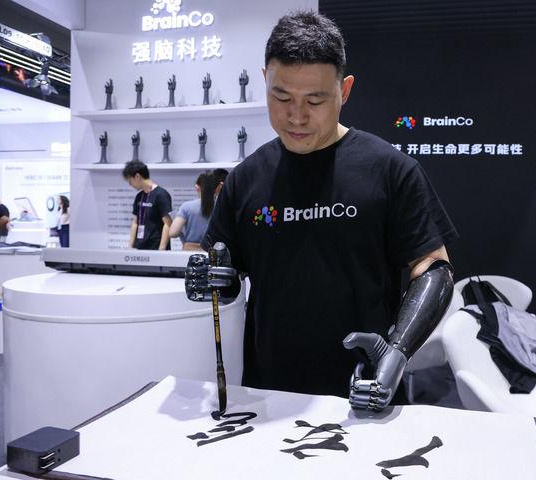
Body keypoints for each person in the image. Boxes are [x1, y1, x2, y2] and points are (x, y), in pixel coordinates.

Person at [190, 11, 458, 409]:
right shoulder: (245, 179)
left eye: (315, 100)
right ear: (264, 80)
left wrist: (398, 350)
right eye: (281, 97)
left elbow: (434, 269)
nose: (296, 116)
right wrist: (208, 281)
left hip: (364, 389)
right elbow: (228, 277)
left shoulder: (390, 169)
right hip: (269, 395)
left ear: (344, 90)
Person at [122, 160, 173, 250]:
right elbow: (135, 222)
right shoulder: (139, 196)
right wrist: (130, 247)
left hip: (155, 247)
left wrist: (162, 249)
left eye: (130, 181)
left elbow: (168, 223)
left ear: (137, 176)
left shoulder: (161, 195)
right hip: (140, 247)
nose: (130, 184)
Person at [170, 172, 218, 251]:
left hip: (190, 251)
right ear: (216, 189)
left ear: (197, 187)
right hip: (213, 252)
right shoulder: (220, 207)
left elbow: (173, 232)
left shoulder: (187, 207)